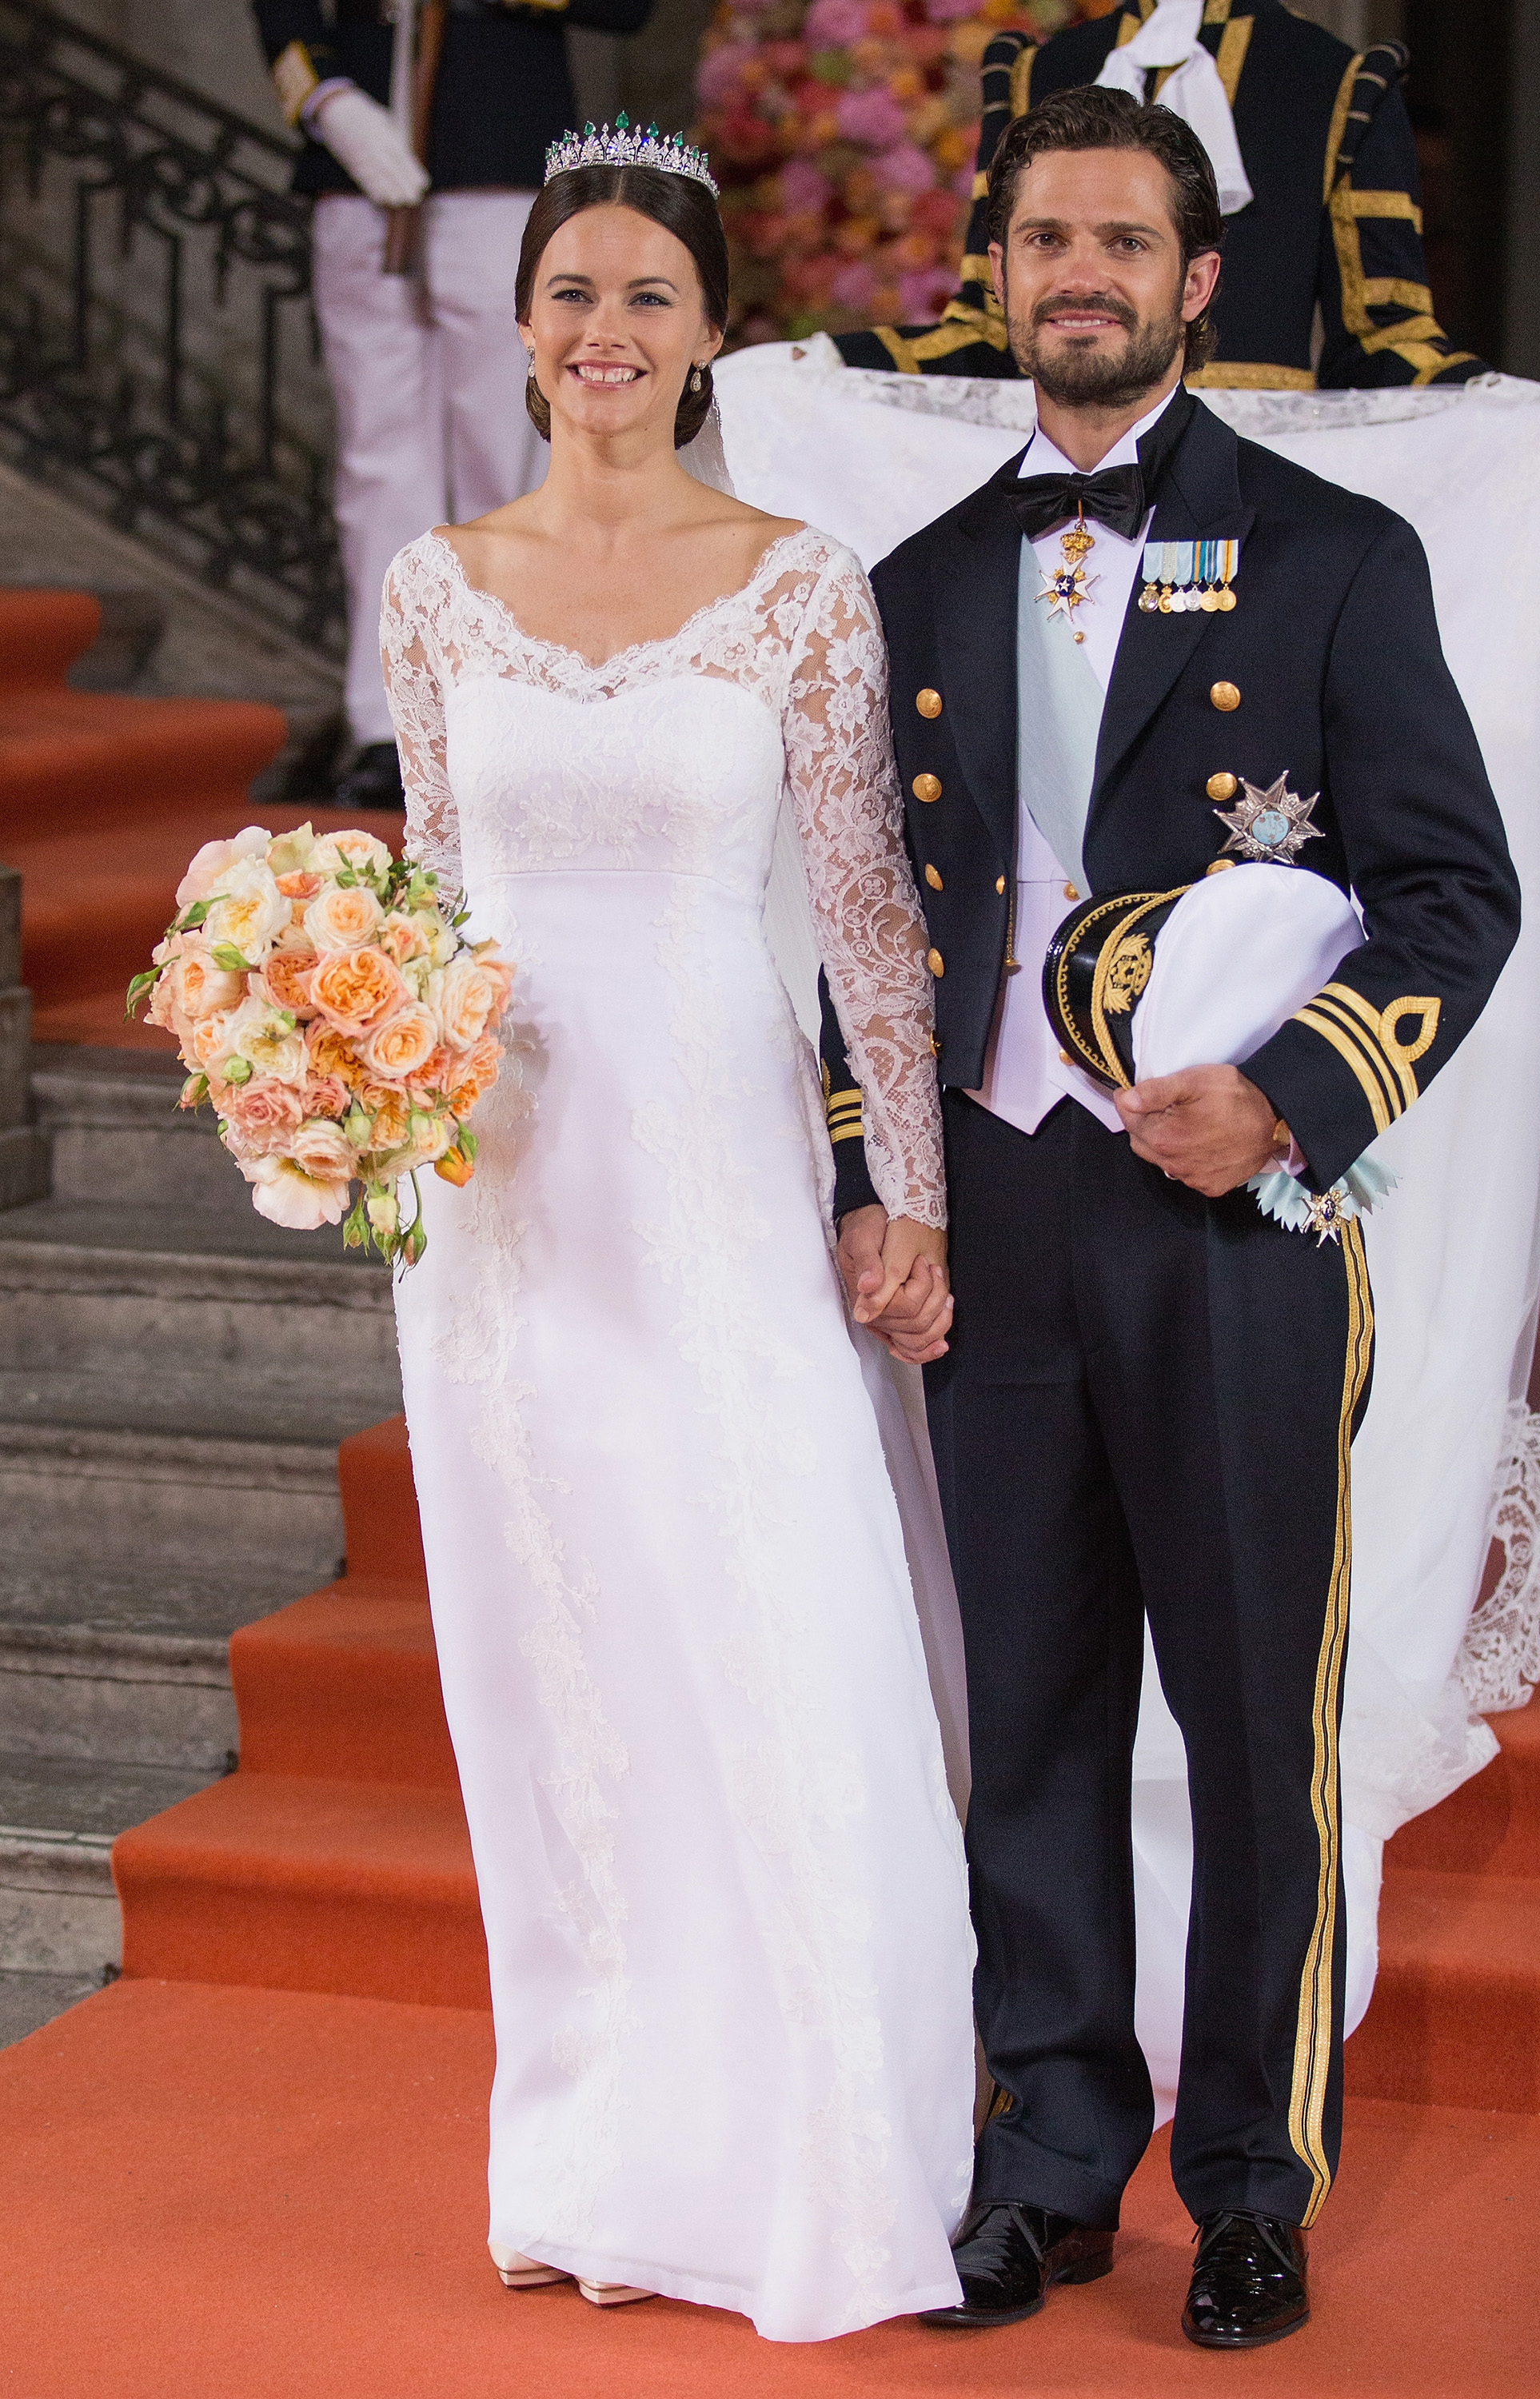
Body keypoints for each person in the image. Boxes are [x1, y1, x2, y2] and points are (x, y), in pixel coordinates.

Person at [825, 84, 1518, 2347]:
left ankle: (1248, 2175)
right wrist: (880, 1180)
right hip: (1001, 1224)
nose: (1083, 280)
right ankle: (1045, 2158)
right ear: (1000, 275)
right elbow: (852, 942)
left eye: (1123, 242)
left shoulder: (1332, 555)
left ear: (1199, 275)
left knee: (1245, 1719)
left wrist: (1298, 1098)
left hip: (1229, 1226)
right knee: (1020, 1708)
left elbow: (1453, 896)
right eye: (1045, 244)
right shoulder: (913, 581)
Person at [377, 123, 975, 2341]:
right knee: (559, 1656)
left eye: (649, 296)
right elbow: (429, 906)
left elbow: (874, 934)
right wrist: (342, 1081)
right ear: (523, 326)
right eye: (573, 293)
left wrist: (899, 1190)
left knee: (768, 1615)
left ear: (714, 332)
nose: (606, 332)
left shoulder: (804, 581)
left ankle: (826, 2153)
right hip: (511, 1205)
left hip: (721, 1177)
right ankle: (600, 2148)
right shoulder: (437, 586)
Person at [254, 0, 654, 809]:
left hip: (498, 148)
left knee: (503, 458)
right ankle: (384, 724)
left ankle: (505, 709)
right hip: (361, 161)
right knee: (378, 463)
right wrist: (330, 102)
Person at [836, 0, 1481, 392]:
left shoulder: (1341, 81)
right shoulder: (1037, 72)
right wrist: (823, 361)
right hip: (1059, 456)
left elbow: (1379, 338)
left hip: (1256, 478)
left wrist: (1496, 402)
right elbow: (986, 326)